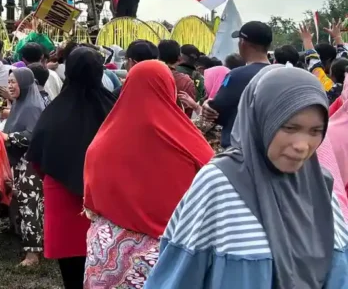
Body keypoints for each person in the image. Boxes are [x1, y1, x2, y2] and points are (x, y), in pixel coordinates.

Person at [146, 66, 348, 288]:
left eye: (315, 131)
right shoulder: (219, 184)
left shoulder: (321, 186)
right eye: (290, 127)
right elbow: (177, 277)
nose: (302, 145)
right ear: (260, 119)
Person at [83, 61, 214, 287]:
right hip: (168, 254)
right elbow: (211, 191)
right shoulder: (189, 141)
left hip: (107, 254)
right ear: (169, 88)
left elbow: (91, 199)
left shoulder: (103, 141)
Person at [27, 47, 115, 289]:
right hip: (105, 203)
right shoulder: (115, 109)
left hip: (63, 198)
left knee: (72, 276)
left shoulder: (54, 112)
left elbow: (37, 156)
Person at [0, 68, 46, 267]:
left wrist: (9, 138)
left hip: (31, 166)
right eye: (8, 82)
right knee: (27, 206)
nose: (10, 86)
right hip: (23, 164)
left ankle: (32, 255)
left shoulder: (32, 107)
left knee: (30, 207)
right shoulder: (21, 103)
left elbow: (33, 135)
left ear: (25, 83)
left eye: (14, 82)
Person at [203, 21, 272, 148]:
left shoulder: (235, 75)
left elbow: (216, 111)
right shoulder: (281, 74)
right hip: (269, 147)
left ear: (243, 43)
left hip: (239, 150)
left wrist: (207, 104)